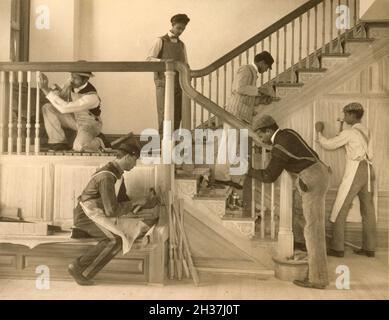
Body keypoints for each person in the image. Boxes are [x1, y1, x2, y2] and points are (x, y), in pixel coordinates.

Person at [246, 115, 331, 289]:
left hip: (312, 178)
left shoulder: (280, 147)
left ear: (269, 130)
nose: (261, 139)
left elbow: (269, 176)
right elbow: (309, 154)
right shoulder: (288, 133)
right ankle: (306, 255)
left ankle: (318, 279)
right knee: (306, 221)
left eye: (261, 135)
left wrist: (249, 170)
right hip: (319, 171)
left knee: (313, 229)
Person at [68, 140, 156, 286]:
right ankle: (78, 268)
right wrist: (137, 202)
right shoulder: (107, 176)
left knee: (129, 232)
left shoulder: (117, 174)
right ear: (127, 157)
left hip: (97, 215)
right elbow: (112, 211)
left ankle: (82, 269)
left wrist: (146, 204)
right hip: (86, 216)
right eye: (135, 160)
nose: (135, 165)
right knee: (114, 240)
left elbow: (123, 201)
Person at [315, 102, 376, 258]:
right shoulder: (365, 130)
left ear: (351, 115)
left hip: (356, 170)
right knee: (368, 210)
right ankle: (369, 248)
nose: (344, 117)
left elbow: (329, 144)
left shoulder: (350, 133)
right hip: (369, 171)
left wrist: (319, 132)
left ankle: (337, 248)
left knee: (341, 206)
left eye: (345, 115)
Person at [39, 71, 109, 152]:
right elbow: (61, 97)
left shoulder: (92, 97)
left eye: (75, 78)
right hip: (75, 120)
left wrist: (46, 90)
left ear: (85, 80)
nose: (72, 79)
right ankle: (58, 143)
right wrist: (54, 91)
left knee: (79, 147)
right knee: (47, 107)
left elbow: (64, 108)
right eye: (72, 76)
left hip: (90, 124)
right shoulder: (71, 83)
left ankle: (100, 141)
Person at [147, 13, 190, 135]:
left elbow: (186, 64)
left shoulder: (182, 45)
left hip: (179, 84)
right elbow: (149, 59)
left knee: (178, 114)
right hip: (163, 83)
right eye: (179, 28)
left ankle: (174, 144)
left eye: (183, 29)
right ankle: (162, 144)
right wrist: (164, 62)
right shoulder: (160, 41)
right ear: (173, 25)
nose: (180, 31)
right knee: (164, 114)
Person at [224, 51, 274, 124]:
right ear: (262, 63)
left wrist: (262, 100)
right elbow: (240, 88)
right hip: (236, 114)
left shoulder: (252, 72)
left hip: (242, 116)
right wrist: (259, 90)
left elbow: (245, 96)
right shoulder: (246, 69)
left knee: (240, 135)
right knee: (232, 135)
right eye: (267, 67)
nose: (266, 70)